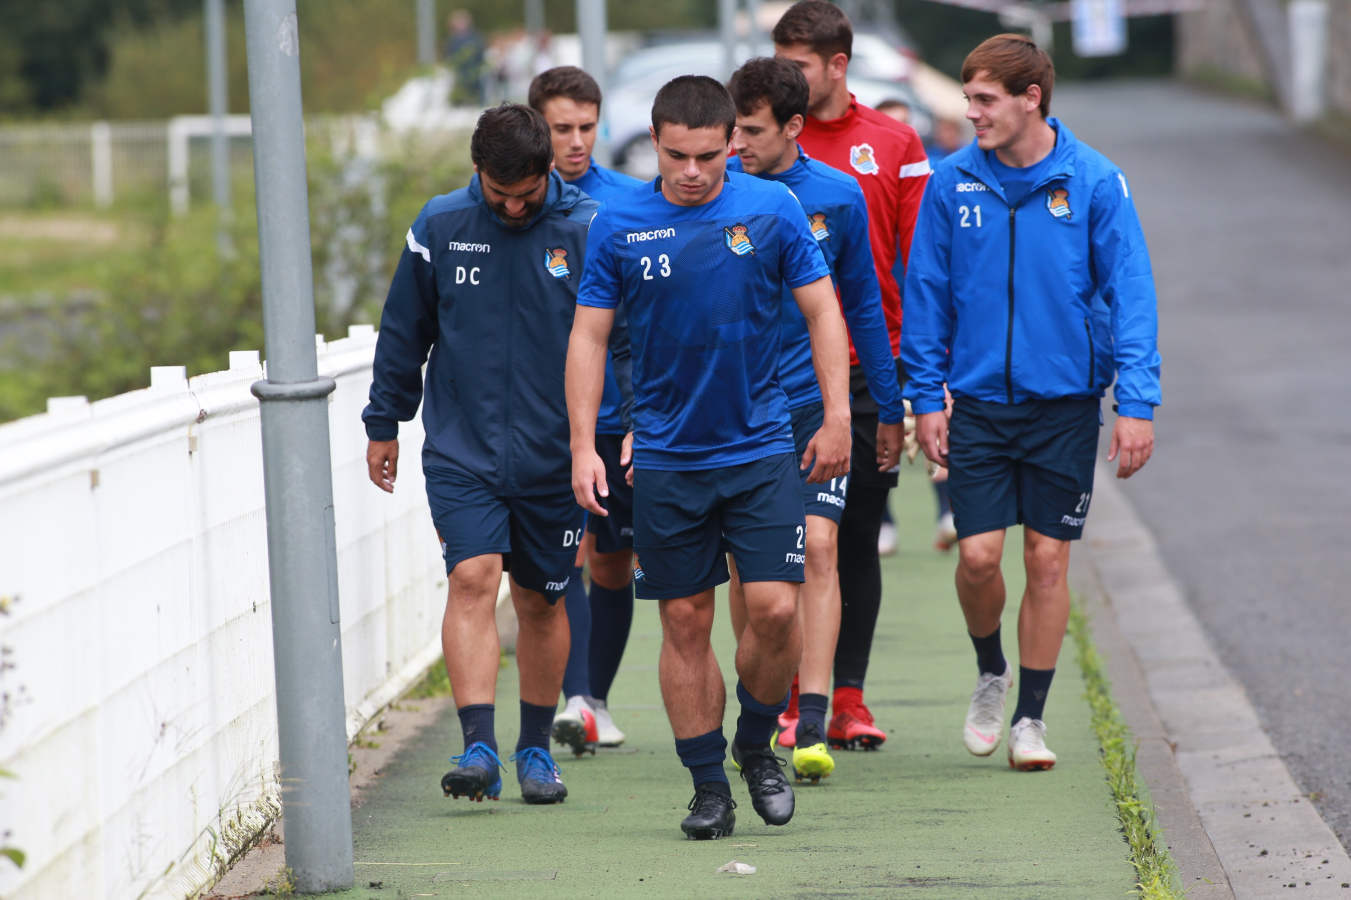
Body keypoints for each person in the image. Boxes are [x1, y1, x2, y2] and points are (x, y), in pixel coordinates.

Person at [566, 75, 861, 839]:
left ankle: (755, 744)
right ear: (654, 145)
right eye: (674, 156)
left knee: (772, 609)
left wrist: (836, 417)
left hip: (763, 446)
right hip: (664, 457)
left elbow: (824, 310)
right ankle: (707, 787)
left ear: (731, 144)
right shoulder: (619, 222)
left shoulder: (770, 210)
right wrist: (581, 446)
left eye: (705, 156)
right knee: (686, 619)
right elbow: (590, 336)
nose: (691, 172)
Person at [902, 34, 1160, 771]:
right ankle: (991, 672)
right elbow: (925, 298)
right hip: (977, 404)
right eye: (968, 97)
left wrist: (1135, 402)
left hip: (1065, 405)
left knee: (1047, 560)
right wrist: (926, 396)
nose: (970, 111)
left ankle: (1030, 721)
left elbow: (1131, 296)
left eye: (984, 99)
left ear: (1029, 99)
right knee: (979, 557)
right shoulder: (952, 185)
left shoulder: (1094, 181)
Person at [363, 103, 619, 805]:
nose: (510, 205)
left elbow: (623, 339)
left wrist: (622, 430)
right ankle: (477, 746)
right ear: (476, 170)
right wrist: (383, 419)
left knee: (540, 599)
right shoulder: (439, 225)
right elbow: (402, 330)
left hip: (555, 453)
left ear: (547, 174)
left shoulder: (590, 227)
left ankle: (534, 750)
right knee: (473, 576)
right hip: (462, 447)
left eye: (524, 194)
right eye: (497, 192)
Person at [723, 56, 903, 785]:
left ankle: (813, 717)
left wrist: (886, 407)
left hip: (814, 409)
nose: (736, 144)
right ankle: (761, 708)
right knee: (751, 579)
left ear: (794, 127)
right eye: (732, 128)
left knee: (820, 550)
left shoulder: (837, 197)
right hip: (734, 415)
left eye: (752, 131)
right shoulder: (716, 196)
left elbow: (864, 305)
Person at [773, 0, 930, 751]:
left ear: (837, 65)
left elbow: (916, 270)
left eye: (798, 66)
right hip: (779, 375)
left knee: (854, 536)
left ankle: (847, 698)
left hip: (869, 372)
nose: (786, 79)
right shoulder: (760, 151)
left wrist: (912, 386)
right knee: (789, 544)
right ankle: (785, 699)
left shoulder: (893, 143)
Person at [527, 66, 643, 755]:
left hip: (620, 412)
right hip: (546, 416)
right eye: (559, 128)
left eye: (585, 128)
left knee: (610, 562)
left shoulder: (630, 202)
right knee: (562, 557)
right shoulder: (519, 203)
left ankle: (593, 697)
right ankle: (572, 700)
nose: (574, 141)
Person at [444, 9, 486, 106]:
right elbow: (449, 57)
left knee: (476, 97)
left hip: (474, 73)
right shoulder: (452, 40)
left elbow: (481, 54)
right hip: (459, 74)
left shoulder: (475, 37)